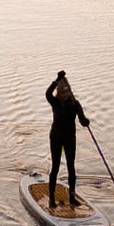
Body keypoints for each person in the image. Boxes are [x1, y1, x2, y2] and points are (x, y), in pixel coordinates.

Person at [44, 70, 90, 206]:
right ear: (58, 93)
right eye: (62, 93)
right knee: (55, 167)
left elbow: (82, 120)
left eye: (66, 92)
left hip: (70, 139)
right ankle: (52, 199)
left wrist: (85, 121)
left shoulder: (75, 104)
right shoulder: (55, 102)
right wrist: (57, 80)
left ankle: (72, 197)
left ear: (69, 91)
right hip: (56, 138)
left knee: (71, 167)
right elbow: (47, 93)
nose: (64, 95)